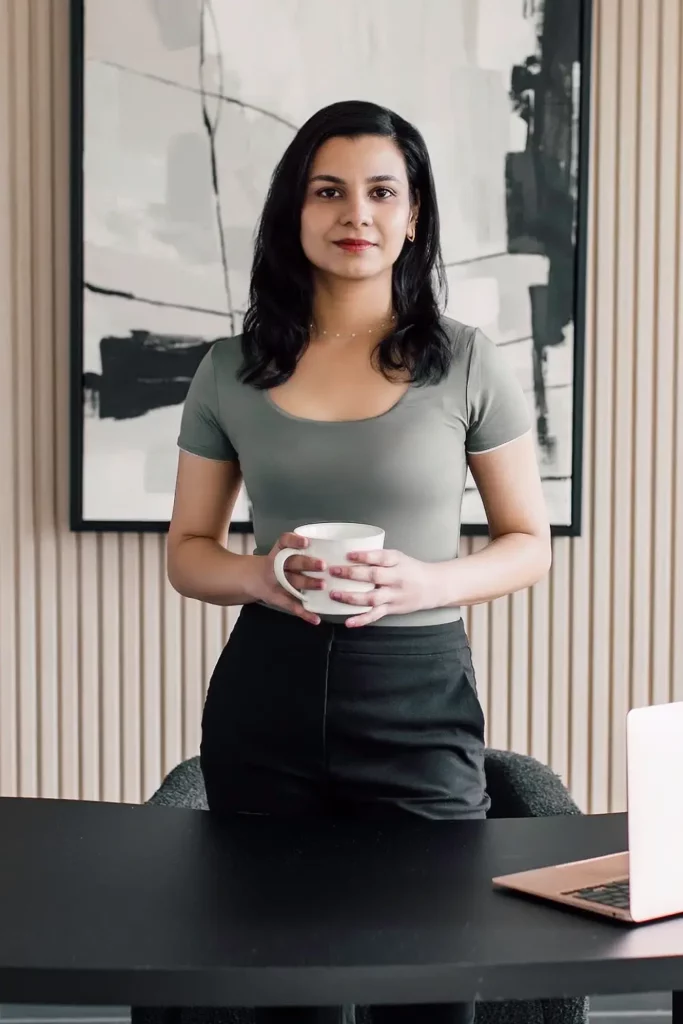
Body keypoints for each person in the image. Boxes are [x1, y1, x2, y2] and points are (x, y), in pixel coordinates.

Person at [167, 99, 551, 1024]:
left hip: (417, 698)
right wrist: (260, 574)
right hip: (267, 694)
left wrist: (426, 582)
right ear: (293, 212)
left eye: (382, 192)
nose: (356, 215)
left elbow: (525, 543)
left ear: (412, 214)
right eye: (328, 191)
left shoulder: (465, 362)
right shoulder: (230, 368)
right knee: (276, 989)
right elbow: (187, 556)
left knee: (427, 986)